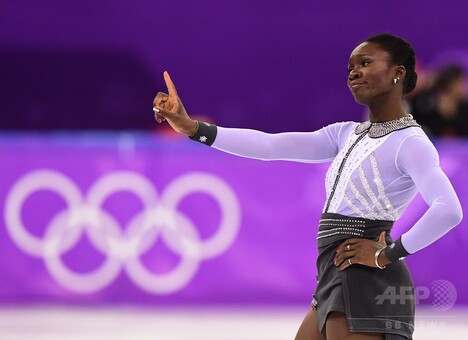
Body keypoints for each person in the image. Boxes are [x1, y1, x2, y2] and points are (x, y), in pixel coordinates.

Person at [152, 33, 463, 340]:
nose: (354, 72)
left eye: (366, 63)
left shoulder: (410, 142)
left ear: (398, 73)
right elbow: (268, 146)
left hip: (365, 276)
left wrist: (387, 254)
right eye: (351, 67)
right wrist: (194, 129)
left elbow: (449, 210)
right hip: (335, 271)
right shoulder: (346, 134)